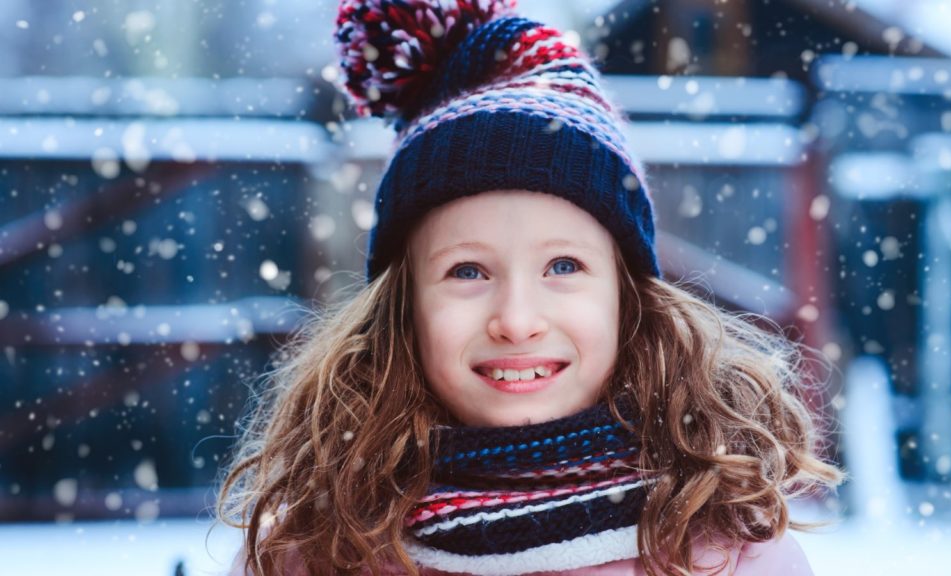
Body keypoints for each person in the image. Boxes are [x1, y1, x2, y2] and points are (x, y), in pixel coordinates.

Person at [218, 1, 844, 574]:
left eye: (564, 267)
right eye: (468, 272)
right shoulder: (317, 552)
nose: (517, 321)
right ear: (402, 309)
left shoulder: (725, 554)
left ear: (629, 302)